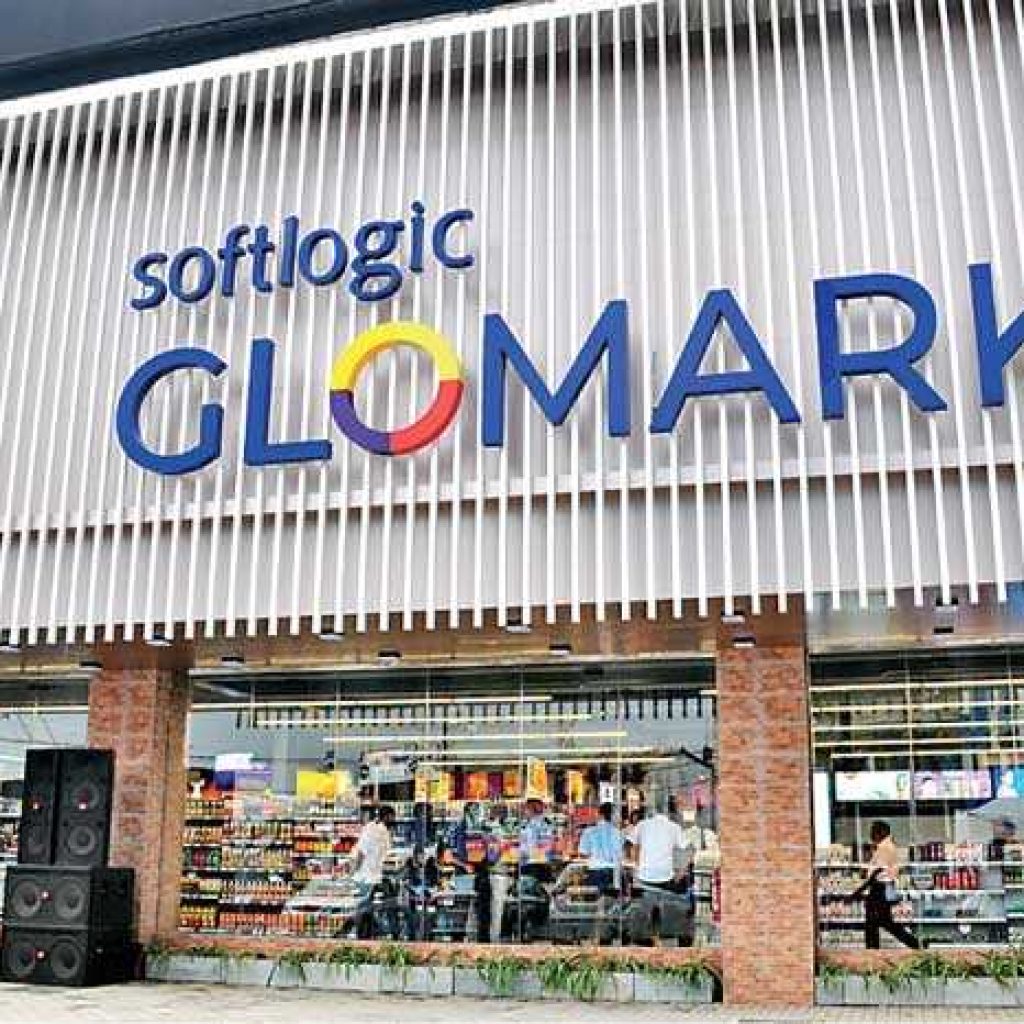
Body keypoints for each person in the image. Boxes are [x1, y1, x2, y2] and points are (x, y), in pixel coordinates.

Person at [849, 820, 920, 950]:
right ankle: (914, 944)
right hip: (882, 888)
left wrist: (858, 892)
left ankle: (874, 950)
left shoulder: (885, 848)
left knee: (875, 922)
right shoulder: (886, 847)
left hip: (879, 889)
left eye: (873, 832)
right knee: (882, 922)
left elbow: (877, 873)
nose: (871, 835)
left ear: (881, 833)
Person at [634, 804, 690, 894]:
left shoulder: (641, 825)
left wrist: (637, 865)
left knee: (646, 899)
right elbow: (687, 849)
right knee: (665, 899)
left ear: (654, 811)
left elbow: (634, 845)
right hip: (665, 875)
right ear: (671, 813)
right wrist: (682, 871)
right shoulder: (675, 827)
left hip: (644, 874)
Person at [578, 802, 624, 894]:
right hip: (613, 872)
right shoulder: (619, 833)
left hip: (595, 871)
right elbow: (620, 854)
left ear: (600, 815)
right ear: (613, 816)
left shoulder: (589, 832)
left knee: (595, 899)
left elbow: (583, 853)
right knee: (612, 900)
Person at [519, 797, 556, 884]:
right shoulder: (539, 823)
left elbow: (534, 845)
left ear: (532, 809)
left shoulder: (536, 824)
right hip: (537, 863)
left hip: (535, 864)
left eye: (526, 808)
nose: (524, 811)